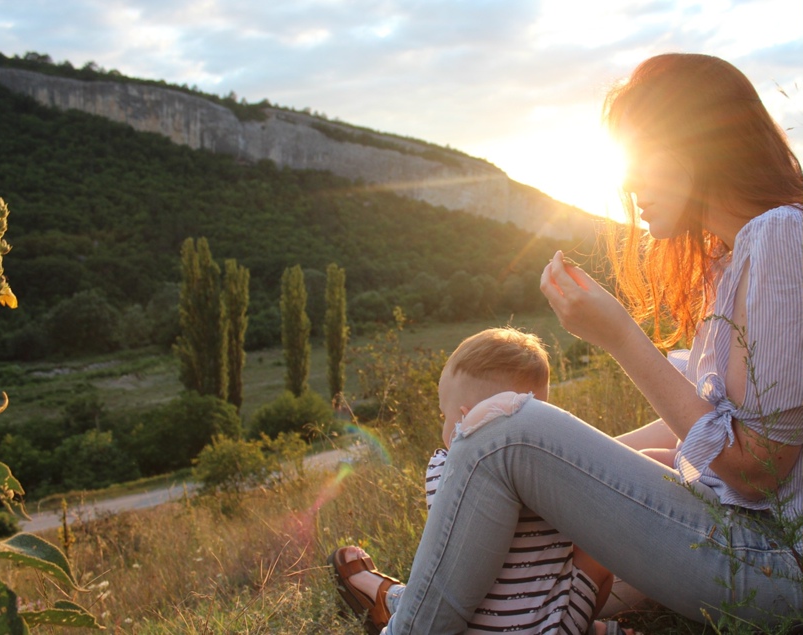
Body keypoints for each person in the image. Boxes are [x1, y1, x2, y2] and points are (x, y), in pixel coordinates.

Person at [334, 52, 803, 634]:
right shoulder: (739, 255)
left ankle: (403, 618)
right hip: (751, 547)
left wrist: (620, 339)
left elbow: (758, 472)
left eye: (642, 156)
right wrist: (564, 468)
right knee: (589, 461)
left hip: (776, 566)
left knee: (500, 429)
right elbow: (716, 420)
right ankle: (411, 602)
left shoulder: (781, 235)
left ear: (695, 148)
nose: (629, 183)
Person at [331, 327, 615, 634]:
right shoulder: (557, 471)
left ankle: (393, 600)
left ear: (463, 420)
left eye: (444, 416)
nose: (443, 426)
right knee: (597, 551)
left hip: (468, 627)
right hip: (552, 630)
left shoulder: (443, 468)